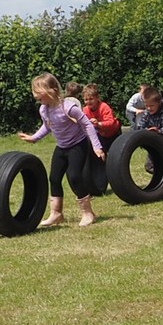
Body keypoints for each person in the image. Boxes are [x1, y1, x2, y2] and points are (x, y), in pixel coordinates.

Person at [18, 74, 105, 228]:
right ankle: (56, 213)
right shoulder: (44, 109)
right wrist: (34, 138)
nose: (35, 95)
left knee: (74, 176)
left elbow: (87, 125)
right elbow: (47, 126)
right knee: (54, 178)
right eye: (34, 91)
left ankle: (87, 213)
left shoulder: (68, 107)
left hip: (77, 145)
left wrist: (96, 146)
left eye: (38, 91)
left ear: (52, 90)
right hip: (61, 147)